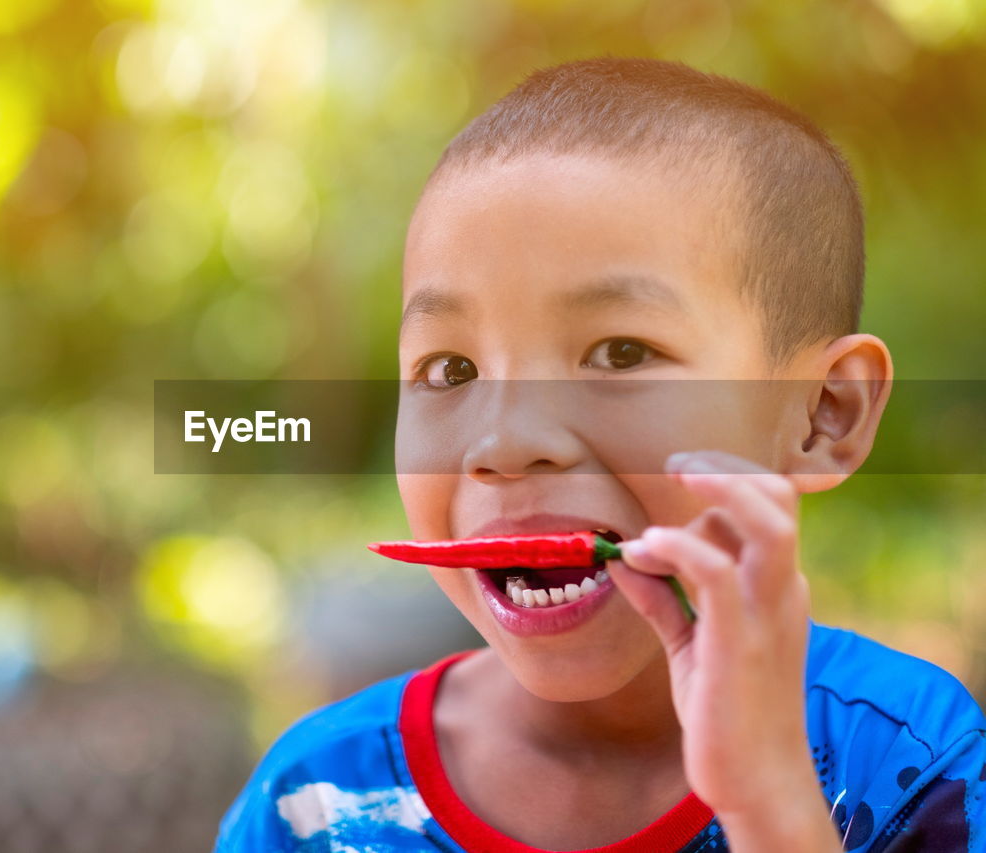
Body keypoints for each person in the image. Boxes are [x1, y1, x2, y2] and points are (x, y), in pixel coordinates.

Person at [213, 57, 986, 852]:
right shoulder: (311, 801)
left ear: (827, 411)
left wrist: (771, 804)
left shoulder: (913, 759)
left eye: (620, 352)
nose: (506, 442)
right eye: (451, 370)